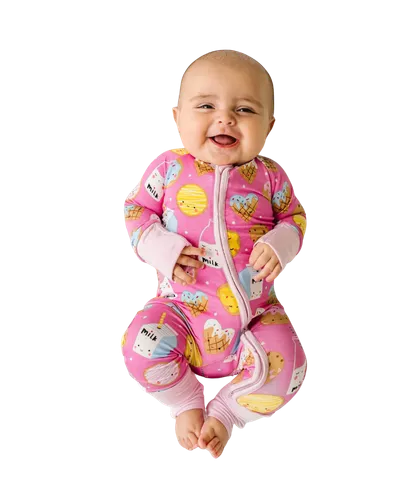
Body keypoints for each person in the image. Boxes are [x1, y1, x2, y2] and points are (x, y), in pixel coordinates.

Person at [120, 48, 310, 459]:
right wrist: (162, 248)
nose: (225, 118)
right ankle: (185, 401)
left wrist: (281, 242)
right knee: (136, 344)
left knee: (293, 361)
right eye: (206, 105)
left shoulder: (270, 176)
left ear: (270, 126)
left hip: (255, 323)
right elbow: (134, 212)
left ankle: (227, 413)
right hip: (180, 314)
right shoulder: (169, 167)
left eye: (244, 109)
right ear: (177, 118)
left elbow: (296, 218)